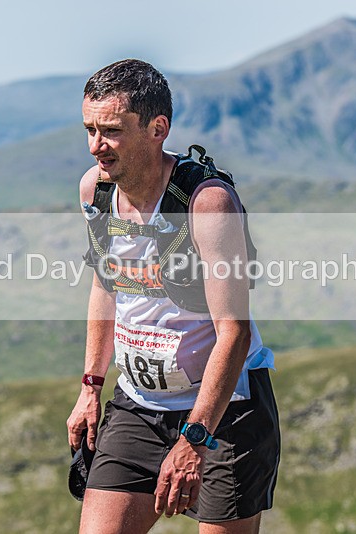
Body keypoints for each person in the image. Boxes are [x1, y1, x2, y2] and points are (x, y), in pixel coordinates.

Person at [67, 59, 280, 534]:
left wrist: (195, 438)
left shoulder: (207, 204)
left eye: (112, 131)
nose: (96, 146)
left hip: (226, 409)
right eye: (89, 129)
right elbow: (106, 286)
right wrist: (90, 387)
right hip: (138, 404)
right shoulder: (96, 191)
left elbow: (234, 333)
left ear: (157, 128)